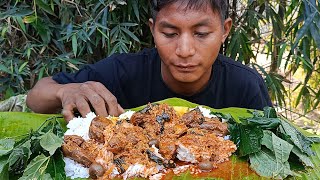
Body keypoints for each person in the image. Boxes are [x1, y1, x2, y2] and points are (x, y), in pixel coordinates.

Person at [26, 0, 272, 121]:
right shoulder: (122, 71)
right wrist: (67, 91)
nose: (185, 50)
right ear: (153, 31)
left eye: (201, 34)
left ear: (225, 30)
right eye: (169, 34)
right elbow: (36, 97)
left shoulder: (245, 86)